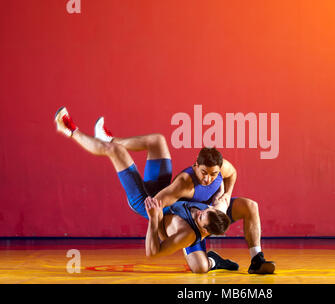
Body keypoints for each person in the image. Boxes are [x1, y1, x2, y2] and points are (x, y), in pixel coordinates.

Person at [55, 106, 275, 274]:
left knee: (200, 267)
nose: (209, 179)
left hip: (146, 204)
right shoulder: (185, 187)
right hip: (160, 201)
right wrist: (223, 197)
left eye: (214, 175)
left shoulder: (188, 232)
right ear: (196, 165)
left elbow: (154, 250)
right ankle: (75, 130)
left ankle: (237, 260)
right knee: (154, 141)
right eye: (204, 173)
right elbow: (163, 204)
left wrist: (153, 220)